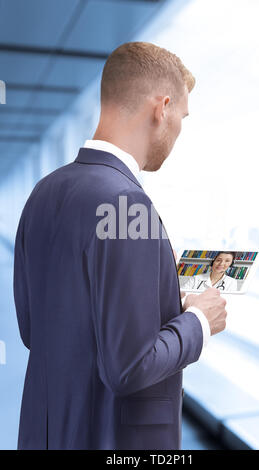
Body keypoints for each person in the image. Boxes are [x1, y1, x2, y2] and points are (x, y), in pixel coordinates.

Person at [13, 42, 227, 450]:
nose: (179, 130)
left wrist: (159, 310)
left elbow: (32, 329)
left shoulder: (43, 193)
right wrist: (198, 321)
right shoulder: (128, 206)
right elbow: (129, 367)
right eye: (182, 117)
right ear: (160, 108)